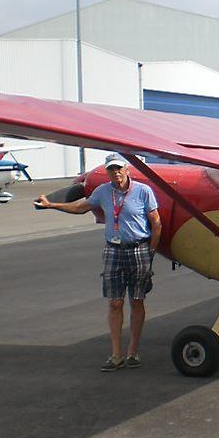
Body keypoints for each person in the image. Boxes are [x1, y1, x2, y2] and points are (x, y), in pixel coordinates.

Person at [35, 153, 161, 372]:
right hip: (113, 250)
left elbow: (156, 223)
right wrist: (51, 204)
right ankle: (116, 355)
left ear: (127, 170)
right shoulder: (103, 191)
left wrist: (151, 251)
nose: (116, 173)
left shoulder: (143, 192)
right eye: (111, 169)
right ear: (108, 172)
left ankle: (133, 352)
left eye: (119, 169)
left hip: (139, 249)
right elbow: (81, 207)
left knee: (137, 300)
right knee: (115, 302)